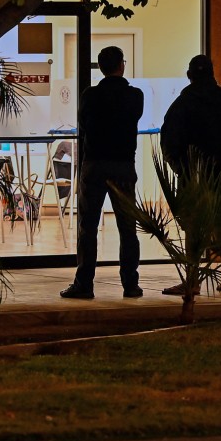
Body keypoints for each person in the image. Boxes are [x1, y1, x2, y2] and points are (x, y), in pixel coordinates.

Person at [60, 46, 145, 300]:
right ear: (122, 65)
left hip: (94, 164)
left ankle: (84, 284)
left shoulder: (89, 96)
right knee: (127, 227)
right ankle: (131, 284)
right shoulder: (134, 96)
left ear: (101, 67)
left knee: (88, 226)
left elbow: (84, 125)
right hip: (123, 165)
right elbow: (134, 118)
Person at [159, 54, 221, 294]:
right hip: (219, 171)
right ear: (213, 74)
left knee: (193, 228)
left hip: (191, 174)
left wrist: (179, 167)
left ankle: (193, 281)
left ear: (189, 76)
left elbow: (169, 139)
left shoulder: (182, 102)